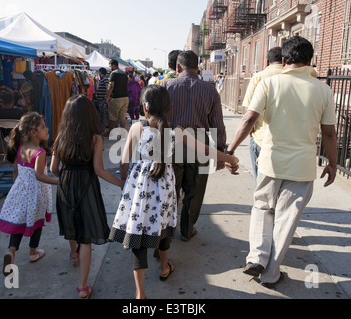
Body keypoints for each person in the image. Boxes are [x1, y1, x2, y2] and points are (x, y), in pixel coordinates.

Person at [226, 36, 338, 288]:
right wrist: (333, 163)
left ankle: (256, 256)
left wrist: (230, 151)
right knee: (286, 220)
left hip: (271, 161)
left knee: (262, 208)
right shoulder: (323, 90)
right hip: (303, 167)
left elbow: (248, 120)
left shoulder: (269, 83)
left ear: (284, 60)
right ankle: (270, 274)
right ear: (310, 61)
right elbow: (329, 132)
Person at [109, 85, 238, 299]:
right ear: (169, 108)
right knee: (164, 223)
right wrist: (230, 158)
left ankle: (140, 293)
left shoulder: (136, 128)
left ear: (144, 107)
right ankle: (163, 267)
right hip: (164, 187)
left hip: (140, 187)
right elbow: (205, 150)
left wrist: (124, 181)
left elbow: (123, 163)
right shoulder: (176, 131)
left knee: (138, 234)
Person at [50, 95, 123, 299]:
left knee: (70, 224)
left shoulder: (60, 137)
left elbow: (53, 168)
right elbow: (99, 170)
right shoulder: (95, 139)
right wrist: (121, 183)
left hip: (65, 184)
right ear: (90, 115)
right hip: (86, 188)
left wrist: (65, 178)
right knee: (86, 237)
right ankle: (82, 287)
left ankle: (73, 254)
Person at [161, 50, 227, 242]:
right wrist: (221, 151)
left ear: (177, 67)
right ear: (197, 67)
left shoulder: (166, 86)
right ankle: (187, 229)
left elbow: (157, 120)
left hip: (171, 141)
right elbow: (217, 124)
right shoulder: (209, 90)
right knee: (195, 189)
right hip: (199, 143)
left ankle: (165, 232)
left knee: (169, 189)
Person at [0, 112, 57, 276]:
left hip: (20, 190)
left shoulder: (21, 147)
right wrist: (59, 182)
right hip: (36, 193)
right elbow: (39, 175)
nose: (47, 129)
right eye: (43, 127)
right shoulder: (40, 152)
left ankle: (11, 252)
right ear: (33, 132)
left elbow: (16, 170)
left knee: (18, 223)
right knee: (36, 223)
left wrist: (16, 187)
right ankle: (32, 252)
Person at [241, 47, 284, 186]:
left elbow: (248, 111)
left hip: (261, 138)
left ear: (267, 61)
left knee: (260, 182)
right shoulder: (293, 77)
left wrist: (250, 131)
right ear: (284, 59)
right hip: (286, 140)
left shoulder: (259, 77)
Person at [106, 59, 129, 137]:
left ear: (113, 65)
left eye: (110, 66)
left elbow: (111, 86)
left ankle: (110, 133)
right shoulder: (124, 73)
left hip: (116, 98)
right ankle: (123, 135)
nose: (110, 68)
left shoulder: (113, 73)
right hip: (125, 97)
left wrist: (107, 97)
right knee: (122, 117)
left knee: (113, 117)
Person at [95, 67, 110, 131]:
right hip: (100, 99)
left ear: (101, 72)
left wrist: (106, 96)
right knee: (102, 113)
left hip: (102, 99)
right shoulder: (103, 79)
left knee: (103, 113)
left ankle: (104, 127)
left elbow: (107, 87)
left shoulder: (105, 79)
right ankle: (103, 127)